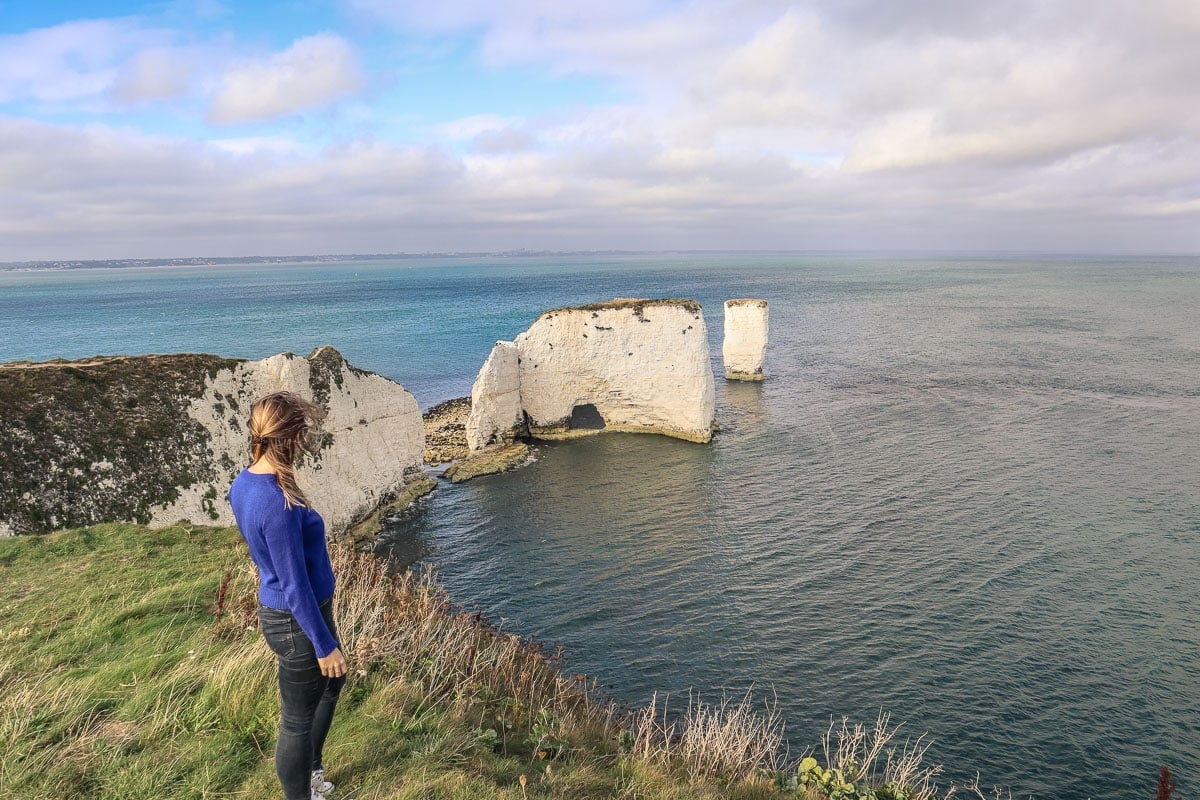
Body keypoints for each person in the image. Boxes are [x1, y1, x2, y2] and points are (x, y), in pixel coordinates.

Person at [228, 391, 347, 800]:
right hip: (296, 620)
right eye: (304, 433)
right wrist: (323, 644)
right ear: (292, 438)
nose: (307, 441)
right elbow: (294, 587)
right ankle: (302, 792)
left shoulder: (247, 481)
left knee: (333, 684)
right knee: (296, 720)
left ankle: (311, 770)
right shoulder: (276, 503)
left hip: (296, 610)